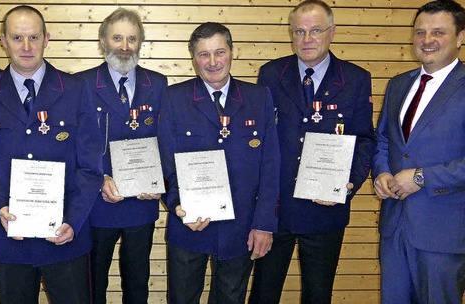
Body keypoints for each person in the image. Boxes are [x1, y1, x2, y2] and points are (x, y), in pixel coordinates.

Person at [0, 5, 103, 304]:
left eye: (33, 37)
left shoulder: (76, 89)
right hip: (10, 236)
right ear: (3, 41)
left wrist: (73, 220)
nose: (26, 47)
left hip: (65, 236)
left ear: (46, 39)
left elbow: (90, 166)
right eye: (16, 38)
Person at [249, 1, 375, 303]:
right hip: (276, 210)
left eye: (315, 30)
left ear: (331, 33)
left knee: (318, 295)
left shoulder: (355, 79)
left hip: (325, 208)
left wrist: (349, 185)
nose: (307, 39)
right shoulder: (271, 74)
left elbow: (364, 141)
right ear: (291, 35)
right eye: (299, 31)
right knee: (263, 294)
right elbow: (261, 141)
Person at [158, 22, 280, 304]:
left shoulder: (258, 98)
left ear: (232, 52)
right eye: (203, 54)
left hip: (240, 228)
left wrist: (264, 224)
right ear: (193, 58)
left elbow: (270, 166)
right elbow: (164, 162)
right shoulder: (175, 98)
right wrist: (177, 205)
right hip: (188, 225)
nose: (212, 62)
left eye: (219, 52)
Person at [372, 0, 465, 303]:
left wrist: (423, 177)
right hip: (395, 226)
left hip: (443, 231)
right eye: (420, 32)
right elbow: (384, 139)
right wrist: (382, 172)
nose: (427, 40)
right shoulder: (398, 84)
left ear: (460, 37)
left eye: (438, 32)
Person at [74, 8, 167, 304]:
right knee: (93, 284)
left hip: (142, 203)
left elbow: (167, 140)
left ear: (140, 43)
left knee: (138, 283)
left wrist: (160, 178)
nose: (124, 46)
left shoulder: (159, 84)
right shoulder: (81, 84)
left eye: (131, 39)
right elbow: (74, 144)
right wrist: (97, 177)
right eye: (117, 38)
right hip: (98, 201)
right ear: (103, 41)